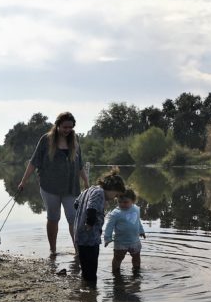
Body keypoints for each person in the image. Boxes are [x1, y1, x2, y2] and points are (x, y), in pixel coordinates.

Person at [18, 112, 89, 256]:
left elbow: (79, 164)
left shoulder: (75, 140)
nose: (67, 130)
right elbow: (33, 162)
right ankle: (53, 250)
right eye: (64, 127)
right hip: (50, 187)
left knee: (73, 218)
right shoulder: (46, 139)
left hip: (71, 187)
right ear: (57, 125)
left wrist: (87, 182)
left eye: (70, 127)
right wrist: (23, 181)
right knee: (53, 218)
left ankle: (77, 251)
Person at [73, 168, 126, 283]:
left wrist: (83, 217)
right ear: (112, 189)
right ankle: (92, 291)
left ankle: (85, 287)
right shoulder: (100, 193)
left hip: (79, 234)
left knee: (85, 265)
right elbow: (91, 208)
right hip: (90, 236)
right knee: (92, 267)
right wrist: (90, 223)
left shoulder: (90, 189)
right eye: (116, 195)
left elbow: (76, 204)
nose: (114, 199)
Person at [104, 189, 146, 274]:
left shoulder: (136, 209)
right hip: (121, 242)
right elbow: (109, 227)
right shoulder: (116, 213)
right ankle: (115, 273)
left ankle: (136, 271)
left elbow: (137, 221)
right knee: (118, 258)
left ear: (133, 201)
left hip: (135, 241)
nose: (122, 204)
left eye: (126, 202)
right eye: (120, 202)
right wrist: (107, 238)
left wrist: (141, 231)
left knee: (136, 257)